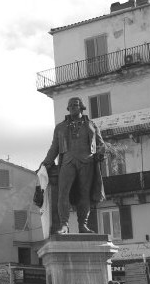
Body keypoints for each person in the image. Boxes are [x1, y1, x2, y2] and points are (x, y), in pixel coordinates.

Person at [41, 96, 105, 234]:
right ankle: (64, 225)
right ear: (68, 108)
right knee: (63, 194)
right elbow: (54, 148)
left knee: (84, 194)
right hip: (67, 162)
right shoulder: (60, 127)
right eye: (70, 105)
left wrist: (101, 151)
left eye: (75, 104)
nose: (73, 107)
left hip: (86, 161)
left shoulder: (92, 125)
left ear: (81, 107)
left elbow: (101, 144)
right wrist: (46, 163)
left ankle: (83, 225)